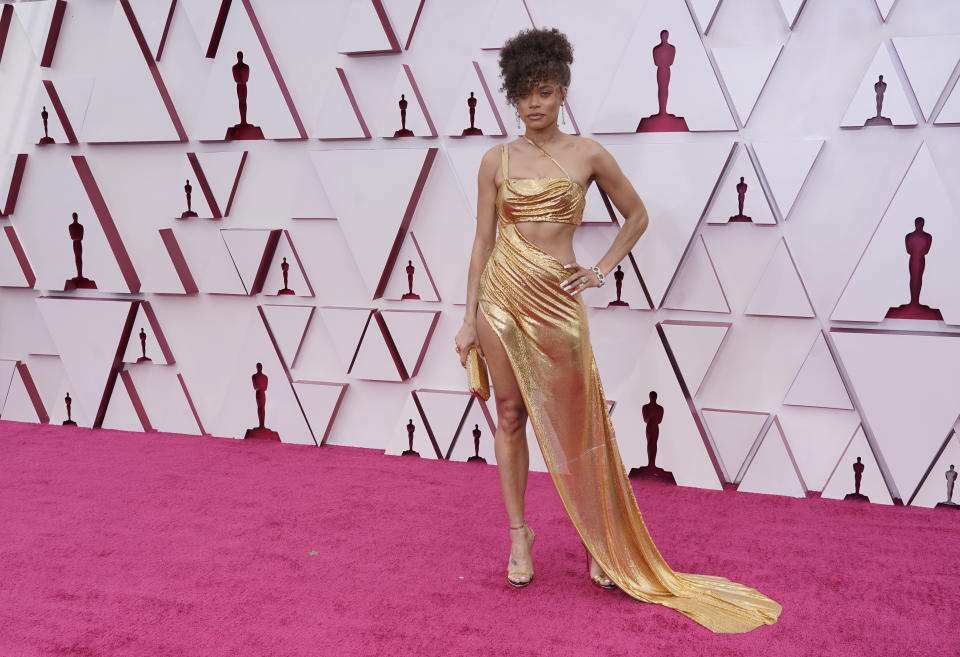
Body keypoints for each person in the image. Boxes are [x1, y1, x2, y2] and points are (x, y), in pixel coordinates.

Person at [454, 27, 782, 634]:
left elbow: (637, 215)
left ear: (563, 92)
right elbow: (480, 241)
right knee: (508, 413)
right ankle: (519, 537)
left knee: (579, 420)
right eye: (525, 93)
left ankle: (598, 537)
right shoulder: (494, 160)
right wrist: (469, 315)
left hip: (557, 300)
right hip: (501, 296)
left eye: (546, 92)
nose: (535, 104)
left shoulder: (588, 154)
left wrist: (601, 269)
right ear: (513, 96)